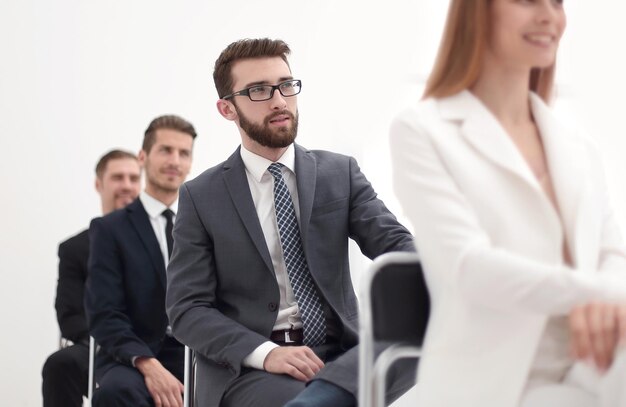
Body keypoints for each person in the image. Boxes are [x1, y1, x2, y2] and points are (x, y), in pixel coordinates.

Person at [389, 1, 626, 406]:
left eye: (557, 2)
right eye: (527, 0)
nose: (549, 15)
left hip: (593, 369)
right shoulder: (422, 132)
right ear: (476, 12)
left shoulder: (579, 148)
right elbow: (470, 266)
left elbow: (613, 253)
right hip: (493, 382)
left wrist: (610, 296)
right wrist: (597, 295)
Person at [166, 38, 417, 407]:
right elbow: (187, 309)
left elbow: (395, 243)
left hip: (343, 355)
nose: (280, 100)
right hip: (255, 369)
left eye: (286, 85)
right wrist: (265, 353)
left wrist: (441, 274)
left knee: (423, 344)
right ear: (227, 109)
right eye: (259, 90)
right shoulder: (201, 197)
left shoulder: (339, 173)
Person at [85, 115, 196, 407]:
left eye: (183, 153)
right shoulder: (110, 229)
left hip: (198, 353)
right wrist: (148, 364)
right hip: (134, 355)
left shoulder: (206, 223)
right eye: (166, 150)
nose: (175, 160)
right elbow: (105, 313)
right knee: (116, 393)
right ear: (143, 156)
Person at [42, 149, 141, 407]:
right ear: (99, 184)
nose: (127, 186)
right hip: (100, 345)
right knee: (59, 364)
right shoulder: (75, 248)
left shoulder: (167, 239)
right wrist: (116, 339)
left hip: (155, 344)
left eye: (134, 178)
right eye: (118, 178)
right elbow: (69, 317)